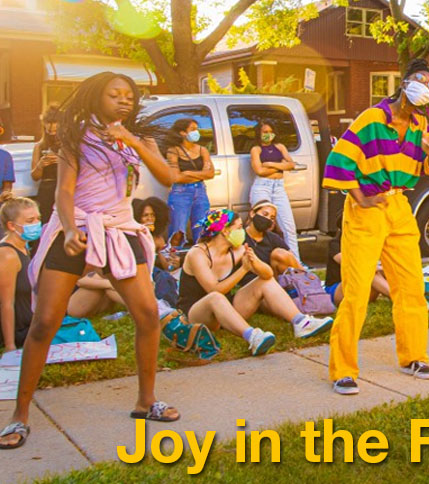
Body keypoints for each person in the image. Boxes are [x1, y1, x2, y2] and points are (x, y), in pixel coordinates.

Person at [1, 72, 180, 450]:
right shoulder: (75, 137)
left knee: (148, 314)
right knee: (45, 321)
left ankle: (146, 401)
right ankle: (19, 414)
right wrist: (67, 229)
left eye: (129, 95)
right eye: (114, 94)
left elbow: (167, 176)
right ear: (96, 98)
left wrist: (131, 140)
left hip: (119, 228)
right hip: (79, 226)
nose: (123, 100)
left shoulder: (138, 139)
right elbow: (65, 190)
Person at [322, 58, 429, 394]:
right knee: (357, 291)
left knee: (411, 288)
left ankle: (413, 356)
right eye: (421, 79)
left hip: (400, 206)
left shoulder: (421, 124)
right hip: (369, 208)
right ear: (405, 82)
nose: (426, 87)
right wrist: (359, 197)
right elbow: (339, 160)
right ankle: (342, 369)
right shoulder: (373, 118)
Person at [177, 209, 332, 356]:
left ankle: (301, 322)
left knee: (264, 281)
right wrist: (243, 269)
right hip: (197, 313)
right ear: (225, 231)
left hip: (226, 309)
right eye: (238, 228)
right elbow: (214, 290)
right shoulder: (198, 254)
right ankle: (252, 337)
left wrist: (254, 261)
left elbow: (268, 274)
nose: (242, 232)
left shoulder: (236, 250)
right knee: (215, 297)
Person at [250, 121, 301, 260]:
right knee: (262, 225)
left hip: (278, 187)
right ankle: (262, 259)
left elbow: (292, 164)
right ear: (259, 133)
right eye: (264, 132)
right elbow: (259, 170)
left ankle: (296, 262)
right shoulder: (256, 149)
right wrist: (281, 166)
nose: (268, 135)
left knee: (288, 226)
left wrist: (270, 164)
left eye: (270, 131)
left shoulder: (279, 147)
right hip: (262, 187)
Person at [165, 118, 214, 246]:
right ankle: (172, 261)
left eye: (196, 129)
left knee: (202, 230)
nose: (196, 132)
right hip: (180, 192)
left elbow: (210, 173)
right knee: (177, 231)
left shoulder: (202, 150)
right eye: (192, 129)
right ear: (182, 133)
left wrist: (188, 173)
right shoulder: (173, 150)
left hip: (200, 191)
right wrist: (199, 174)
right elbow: (176, 177)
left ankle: (200, 259)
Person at [0, 198, 39, 351]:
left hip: (30, 324)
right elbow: (6, 304)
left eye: (38, 219)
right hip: (18, 331)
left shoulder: (24, 247)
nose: (36, 224)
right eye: (30, 221)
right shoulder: (7, 254)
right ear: (11, 225)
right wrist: (11, 346)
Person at [324, 229, 390, 306]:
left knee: (383, 271)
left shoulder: (365, 243)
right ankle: (397, 297)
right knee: (367, 272)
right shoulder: (335, 244)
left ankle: (402, 294)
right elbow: (353, 264)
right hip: (337, 290)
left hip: (361, 290)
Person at [243, 199, 303, 277]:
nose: (267, 219)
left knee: (279, 253)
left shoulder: (273, 237)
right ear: (252, 213)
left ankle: (305, 284)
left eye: (272, 218)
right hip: (250, 281)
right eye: (265, 214)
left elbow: (291, 260)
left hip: (271, 278)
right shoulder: (240, 236)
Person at [31, 104, 61, 223]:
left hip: (65, 188)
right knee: (45, 223)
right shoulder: (39, 146)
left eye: (54, 122)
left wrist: (62, 161)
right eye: (48, 122)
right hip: (47, 189)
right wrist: (40, 165)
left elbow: (81, 171)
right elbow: (35, 177)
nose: (51, 126)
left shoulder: (69, 145)